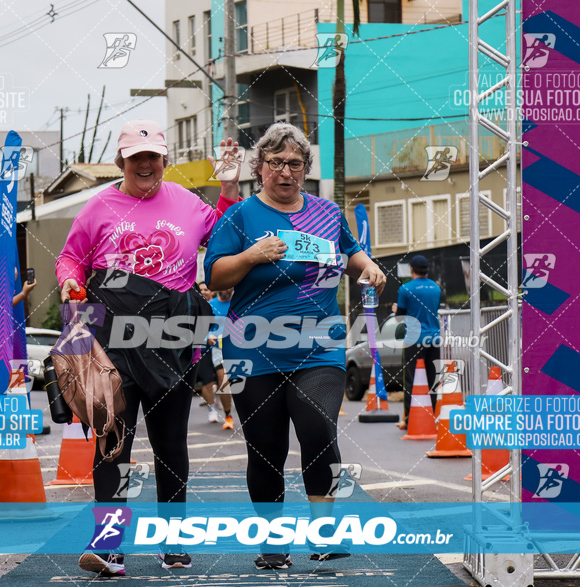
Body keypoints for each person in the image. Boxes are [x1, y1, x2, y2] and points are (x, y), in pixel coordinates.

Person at [56, 119, 241, 576]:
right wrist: (69, 280)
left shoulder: (187, 203)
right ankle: (109, 547)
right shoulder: (97, 207)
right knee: (111, 442)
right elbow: (70, 256)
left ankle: (173, 542)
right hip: (111, 338)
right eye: (136, 157)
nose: (145, 165)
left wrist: (231, 187)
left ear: (164, 160)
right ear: (121, 160)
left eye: (153, 157)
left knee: (171, 444)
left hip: (171, 338)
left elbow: (225, 238)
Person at [204, 122, 386, 569]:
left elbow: (351, 253)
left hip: (319, 344)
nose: (286, 172)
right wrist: (250, 256)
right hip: (253, 349)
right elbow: (215, 276)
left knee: (318, 428)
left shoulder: (325, 212)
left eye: (295, 164)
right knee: (265, 448)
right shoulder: (241, 216)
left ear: (305, 168)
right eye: (276, 163)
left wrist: (370, 267)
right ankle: (272, 542)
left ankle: (324, 533)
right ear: (259, 166)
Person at [395, 255, 441, 429]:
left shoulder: (405, 289)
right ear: (427, 269)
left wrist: (395, 310)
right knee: (432, 379)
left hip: (414, 339)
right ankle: (432, 418)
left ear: (411, 270)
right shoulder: (436, 288)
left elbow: (400, 317)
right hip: (434, 337)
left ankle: (409, 420)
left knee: (411, 380)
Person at [201, 287, 234, 429]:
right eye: (222, 286)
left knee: (224, 380)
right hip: (209, 347)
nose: (225, 288)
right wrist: (209, 336)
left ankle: (228, 415)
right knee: (207, 382)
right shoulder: (210, 305)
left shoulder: (238, 302)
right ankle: (212, 410)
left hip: (229, 347)